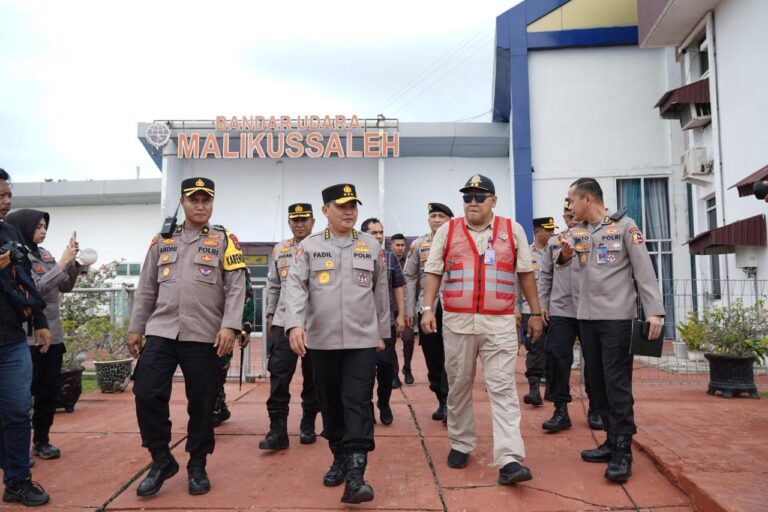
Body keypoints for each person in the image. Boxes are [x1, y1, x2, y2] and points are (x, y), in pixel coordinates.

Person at [126, 177, 246, 497]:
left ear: (212, 203)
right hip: (162, 330)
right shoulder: (162, 239)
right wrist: (136, 327)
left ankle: (197, 463)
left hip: (205, 334)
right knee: (147, 392)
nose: (200, 205)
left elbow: (236, 288)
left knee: (203, 402)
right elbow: (147, 287)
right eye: (194, 199)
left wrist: (230, 326)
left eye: (206, 199)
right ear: (182, 202)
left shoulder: (225, 240)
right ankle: (161, 458)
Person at [420, 174, 542, 486]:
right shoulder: (448, 230)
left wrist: (534, 312)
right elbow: (434, 271)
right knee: (459, 384)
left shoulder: (511, 230)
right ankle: (461, 443)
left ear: (494, 201)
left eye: (480, 196)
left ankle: (509, 458)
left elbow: (525, 273)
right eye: (467, 197)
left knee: (502, 387)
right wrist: (426, 309)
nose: (472, 202)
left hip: (499, 322)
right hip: (457, 322)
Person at [284, 183, 389, 504]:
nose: (349, 212)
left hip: (361, 339)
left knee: (357, 401)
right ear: (326, 210)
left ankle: (357, 473)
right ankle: (339, 455)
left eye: (353, 206)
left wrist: (382, 333)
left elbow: (380, 291)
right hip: (322, 341)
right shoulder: (310, 247)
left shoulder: (370, 245)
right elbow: (296, 288)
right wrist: (294, 325)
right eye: (342, 206)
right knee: (329, 403)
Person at [561, 178, 664, 483]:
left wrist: (655, 312)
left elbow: (644, 271)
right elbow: (573, 268)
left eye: (572, 201)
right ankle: (609, 438)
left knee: (617, 383)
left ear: (588, 199)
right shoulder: (580, 233)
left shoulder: (625, 227)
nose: (569, 207)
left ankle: (623, 449)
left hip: (617, 319)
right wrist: (565, 254)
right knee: (596, 381)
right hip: (587, 319)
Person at [5, 209, 81, 460]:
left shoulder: (45, 254)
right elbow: (34, 288)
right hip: (28, 337)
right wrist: (60, 264)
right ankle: (18, 449)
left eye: (45, 226)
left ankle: (42, 440)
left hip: (54, 334)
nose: (43, 230)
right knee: (22, 396)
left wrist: (72, 264)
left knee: (48, 391)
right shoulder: (16, 256)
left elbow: (64, 286)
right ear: (23, 227)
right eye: (38, 226)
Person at [0, 169, 52, 506]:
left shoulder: (10, 232)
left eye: (8, 195)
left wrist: (41, 321)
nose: (6, 201)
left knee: (19, 412)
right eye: (1, 195)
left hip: (11, 341)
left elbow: (26, 283)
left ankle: (18, 480)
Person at [537, 201, 602, 432]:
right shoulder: (555, 242)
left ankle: (596, 408)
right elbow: (545, 276)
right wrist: (543, 304)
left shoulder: (596, 238)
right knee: (556, 358)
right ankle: (560, 410)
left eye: (574, 212)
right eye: (567, 214)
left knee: (594, 361)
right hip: (561, 309)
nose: (571, 217)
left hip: (590, 310)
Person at [260, 203, 320, 448]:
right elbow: (273, 285)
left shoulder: (321, 247)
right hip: (285, 323)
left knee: (313, 378)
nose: (299, 224)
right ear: (289, 223)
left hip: (314, 324)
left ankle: (308, 423)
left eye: (304, 219)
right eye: (295, 220)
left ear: (313, 221)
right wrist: (271, 314)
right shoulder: (280, 250)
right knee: (279, 376)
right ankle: (277, 430)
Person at [403, 202, 453, 424]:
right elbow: (410, 277)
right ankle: (442, 399)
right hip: (428, 307)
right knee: (433, 355)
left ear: (450, 220)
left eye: (441, 216)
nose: (436, 220)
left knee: (454, 356)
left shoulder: (459, 241)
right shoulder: (419, 244)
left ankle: (453, 401)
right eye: (433, 216)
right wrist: (408, 308)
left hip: (454, 306)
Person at [361, 218, 405, 424]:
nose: (379, 236)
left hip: (385, 323)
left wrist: (402, 315)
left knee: (386, 367)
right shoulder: (357, 254)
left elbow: (398, 286)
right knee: (364, 370)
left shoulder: (390, 256)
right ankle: (367, 407)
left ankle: (384, 402)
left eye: (381, 232)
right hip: (360, 324)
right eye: (374, 232)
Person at [516, 217, 557, 407]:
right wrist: (516, 309)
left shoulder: (557, 252)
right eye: (547, 230)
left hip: (554, 308)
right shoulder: (526, 254)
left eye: (552, 230)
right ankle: (534, 390)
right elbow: (518, 283)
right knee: (534, 348)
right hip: (529, 309)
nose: (551, 234)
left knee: (553, 349)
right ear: (537, 231)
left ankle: (550, 389)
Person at [212, 273, 254, 427]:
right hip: (203, 324)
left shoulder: (234, 259)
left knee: (218, 370)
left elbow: (246, 294)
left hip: (226, 328)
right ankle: (218, 406)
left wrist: (246, 328)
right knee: (204, 373)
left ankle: (215, 410)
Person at [390, 233, 415, 385]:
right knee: (390, 342)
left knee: (408, 338)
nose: (400, 248)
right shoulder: (386, 260)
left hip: (406, 307)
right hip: (390, 307)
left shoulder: (410, 261)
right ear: (391, 245)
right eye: (397, 245)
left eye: (402, 245)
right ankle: (394, 374)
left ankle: (407, 367)